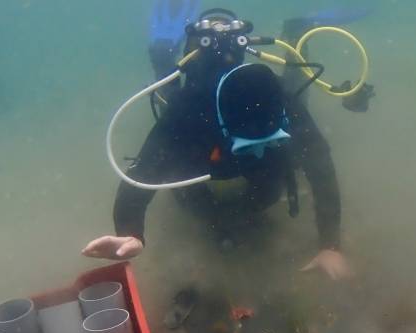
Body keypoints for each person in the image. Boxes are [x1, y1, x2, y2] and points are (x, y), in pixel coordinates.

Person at [83, 7, 351, 282]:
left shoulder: (277, 95)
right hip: (201, 142)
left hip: (238, 149)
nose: (257, 148)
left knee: (280, 165)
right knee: (170, 107)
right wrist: (131, 232)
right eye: (247, 145)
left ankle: (295, 35)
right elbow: (144, 172)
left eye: (268, 140)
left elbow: (319, 161)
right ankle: (162, 55)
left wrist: (330, 245)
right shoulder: (187, 110)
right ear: (223, 124)